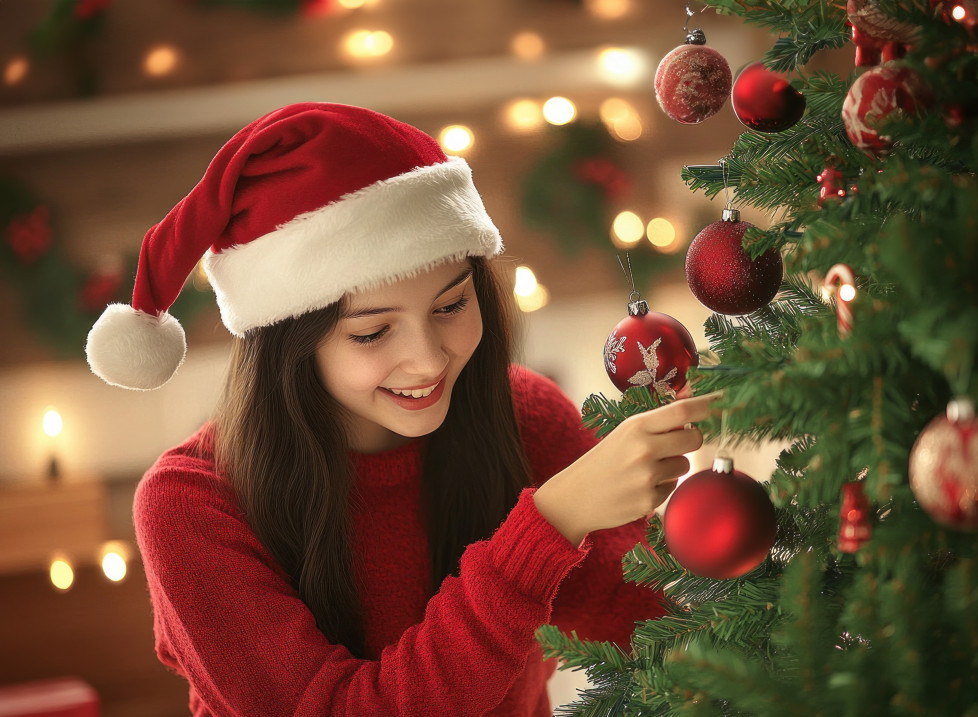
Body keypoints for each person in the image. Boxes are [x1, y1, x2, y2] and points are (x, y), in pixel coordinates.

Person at [84, 102, 715, 716]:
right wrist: (548, 526)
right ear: (290, 347)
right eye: (371, 333)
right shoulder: (189, 503)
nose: (429, 361)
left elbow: (649, 625)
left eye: (450, 306)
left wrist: (712, 518)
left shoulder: (522, 414)